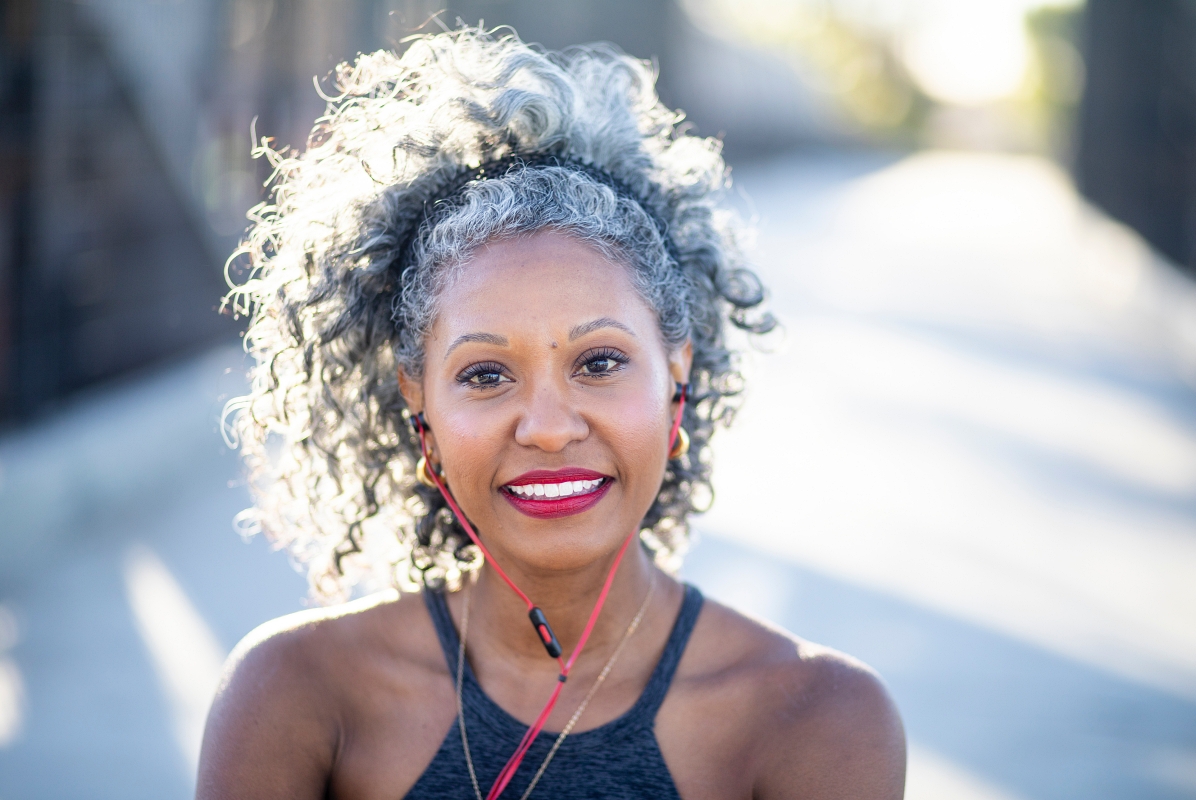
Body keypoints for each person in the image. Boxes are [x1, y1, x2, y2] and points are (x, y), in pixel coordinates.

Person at [200, 28, 905, 800]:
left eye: (599, 363)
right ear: (418, 402)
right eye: (486, 373)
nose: (547, 426)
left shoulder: (818, 717)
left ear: (678, 374)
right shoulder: (294, 695)